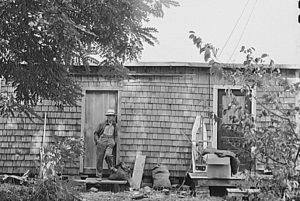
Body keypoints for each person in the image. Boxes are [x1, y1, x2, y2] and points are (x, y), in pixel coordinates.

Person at [94, 109, 118, 180]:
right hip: (102, 140)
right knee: (99, 159)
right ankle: (99, 175)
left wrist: (114, 142)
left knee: (108, 155)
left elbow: (116, 135)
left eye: (112, 116)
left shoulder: (115, 125)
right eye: (110, 116)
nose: (111, 118)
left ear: (114, 117)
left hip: (110, 140)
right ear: (107, 117)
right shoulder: (102, 124)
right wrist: (97, 141)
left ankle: (111, 168)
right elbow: (96, 133)